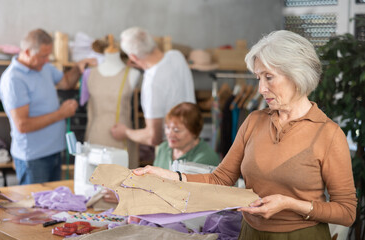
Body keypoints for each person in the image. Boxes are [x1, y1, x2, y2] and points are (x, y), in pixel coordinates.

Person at [131, 30, 357, 239]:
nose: (261, 89)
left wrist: (290, 204)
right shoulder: (254, 122)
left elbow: (346, 212)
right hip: (249, 233)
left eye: (269, 77)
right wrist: (171, 176)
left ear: (297, 75)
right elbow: (220, 179)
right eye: (259, 78)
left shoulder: (327, 134)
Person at [0, 29, 96, 185]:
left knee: (53, 207)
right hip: (33, 158)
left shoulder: (43, 67)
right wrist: (61, 113)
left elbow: (65, 82)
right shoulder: (13, 79)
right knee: (35, 207)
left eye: (48, 56)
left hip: (54, 152)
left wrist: (78, 68)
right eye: (43, 56)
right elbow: (22, 125)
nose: (47, 61)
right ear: (27, 52)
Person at [110, 27, 196, 147]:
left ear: (133, 57)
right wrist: (145, 65)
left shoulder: (151, 84)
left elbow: (154, 138)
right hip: (194, 141)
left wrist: (125, 132)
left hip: (173, 151)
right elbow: (163, 70)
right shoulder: (176, 56)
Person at [80, 39, 141, 169]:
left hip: (121, 139)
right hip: (95, 139)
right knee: (94, 184)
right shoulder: (89, 74)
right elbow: (84, 102)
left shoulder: (132, 73)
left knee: (123, 183)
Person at [153, 102, 220, 170]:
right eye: (167, 127)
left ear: (194, 131)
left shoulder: (206, 158)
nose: (169, 134)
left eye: (176, 130)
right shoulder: (163, 148)